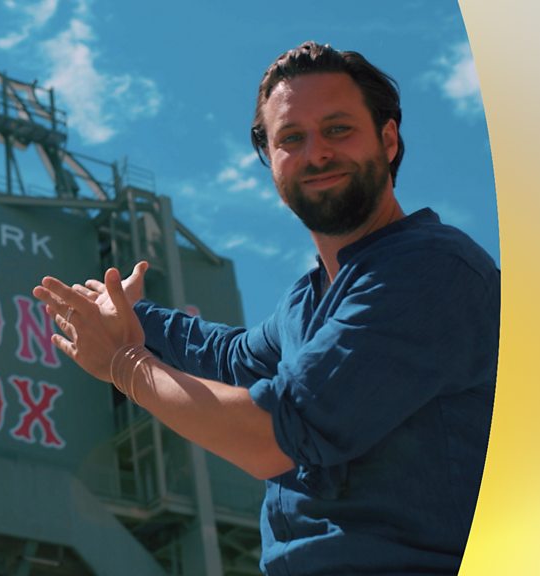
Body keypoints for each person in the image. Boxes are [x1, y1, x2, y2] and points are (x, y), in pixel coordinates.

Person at [32, 41, 499, 575]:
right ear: (269, 159)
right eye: (291, 138)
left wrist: (125, 364)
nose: (316, 153)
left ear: (388, 140)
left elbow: (275, 438)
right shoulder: (310, 298)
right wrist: (136, 320)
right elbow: (233, 357)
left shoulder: (429, 270)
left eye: (338, 129)